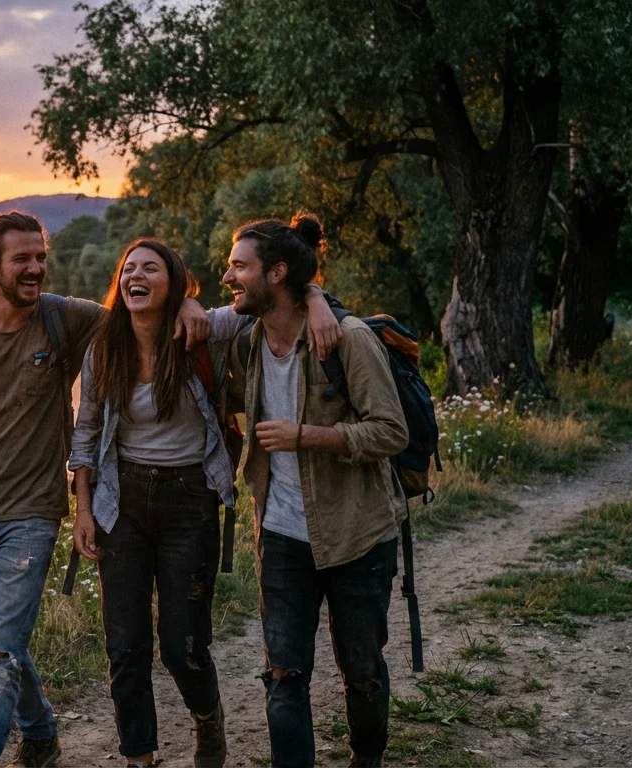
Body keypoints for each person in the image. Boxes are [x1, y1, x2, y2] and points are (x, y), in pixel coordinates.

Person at [0, 211, 210, 768]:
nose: (36, 268)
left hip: (34, 515)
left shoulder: (65, 319)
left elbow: (136, 312)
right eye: (22, 259)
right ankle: (39, 733)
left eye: (41, 257)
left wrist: (187, 303)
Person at [68, 239, 340, 768]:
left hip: (190, 502)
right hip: (121, 502)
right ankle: (139, 757)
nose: (136, 276)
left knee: (183, 646)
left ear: (173, 282)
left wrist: (317, 300)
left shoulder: (205, 331)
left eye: (151, 268)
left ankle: (207, 717)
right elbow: (86, 434)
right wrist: (83, 509)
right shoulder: (105, 346)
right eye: (129, 269)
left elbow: (274, 302)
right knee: (124, 645)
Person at [223, 214, 409, 768]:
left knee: (362, 672)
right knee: (283, 675)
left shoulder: (347, 338)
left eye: (238, 267)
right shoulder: (248, 342)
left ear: (277, 273)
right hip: (281, 537)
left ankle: (366, 760)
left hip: (358, 534)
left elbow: (391, 431)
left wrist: (306, 436)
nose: (227, 277)